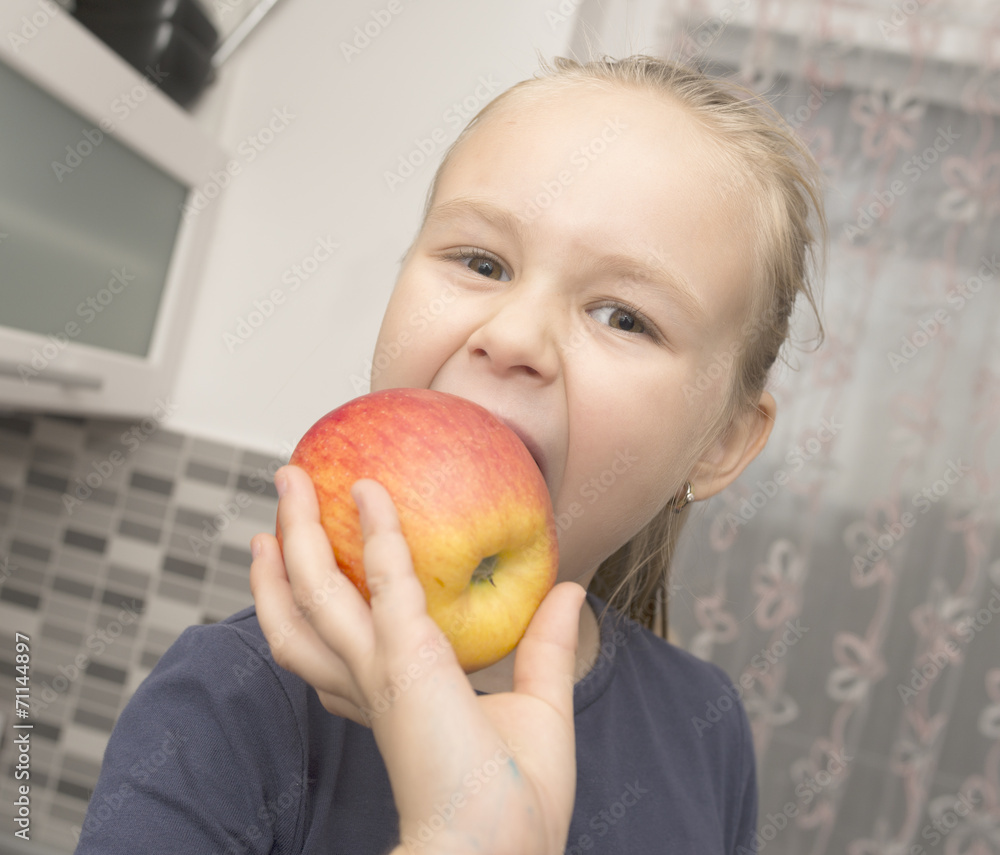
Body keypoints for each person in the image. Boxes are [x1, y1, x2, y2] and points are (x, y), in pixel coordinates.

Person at [74, 54, 825, 854]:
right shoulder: (227, 703)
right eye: (482, 263)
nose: (513, 336)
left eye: (623, 317)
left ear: (720, 443)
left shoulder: (706, 728)